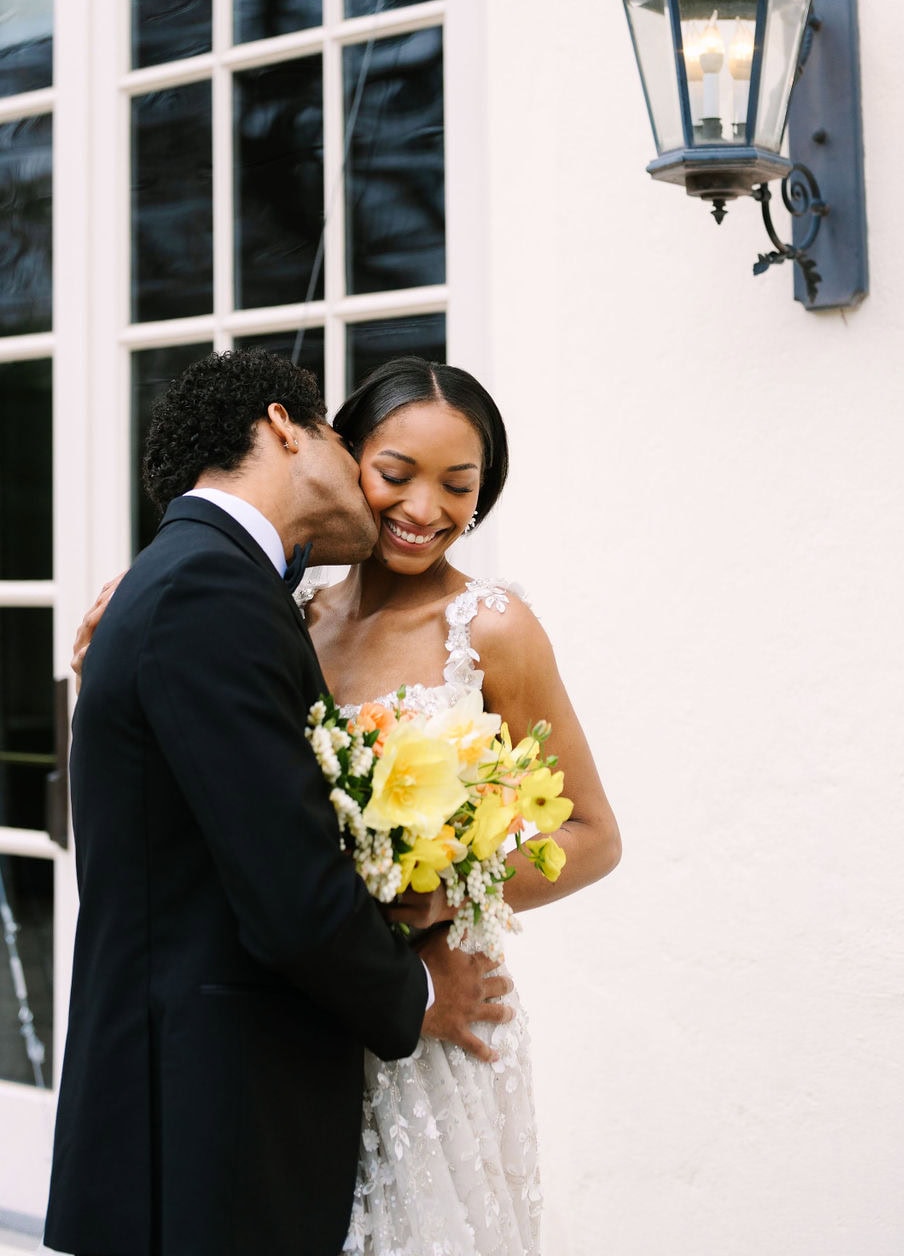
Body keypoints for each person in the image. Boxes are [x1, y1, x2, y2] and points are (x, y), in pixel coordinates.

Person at [45, 349, 511, 1256]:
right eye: (361, 450)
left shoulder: (200, 580)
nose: (412, 508)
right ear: (285, 426)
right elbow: (288, 891)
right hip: (211, 1114)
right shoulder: (209, 589)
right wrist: (417, 990)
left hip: (213, 1102)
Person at [306, 356, 621, 1255]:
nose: (423, 510)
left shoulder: (490, 630)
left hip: (440, 1024)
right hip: (307, 1009)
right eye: (396, 474)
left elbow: (593, 836)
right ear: (346, 457)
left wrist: (447, 896)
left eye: (458, 486)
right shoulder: (290, 617)